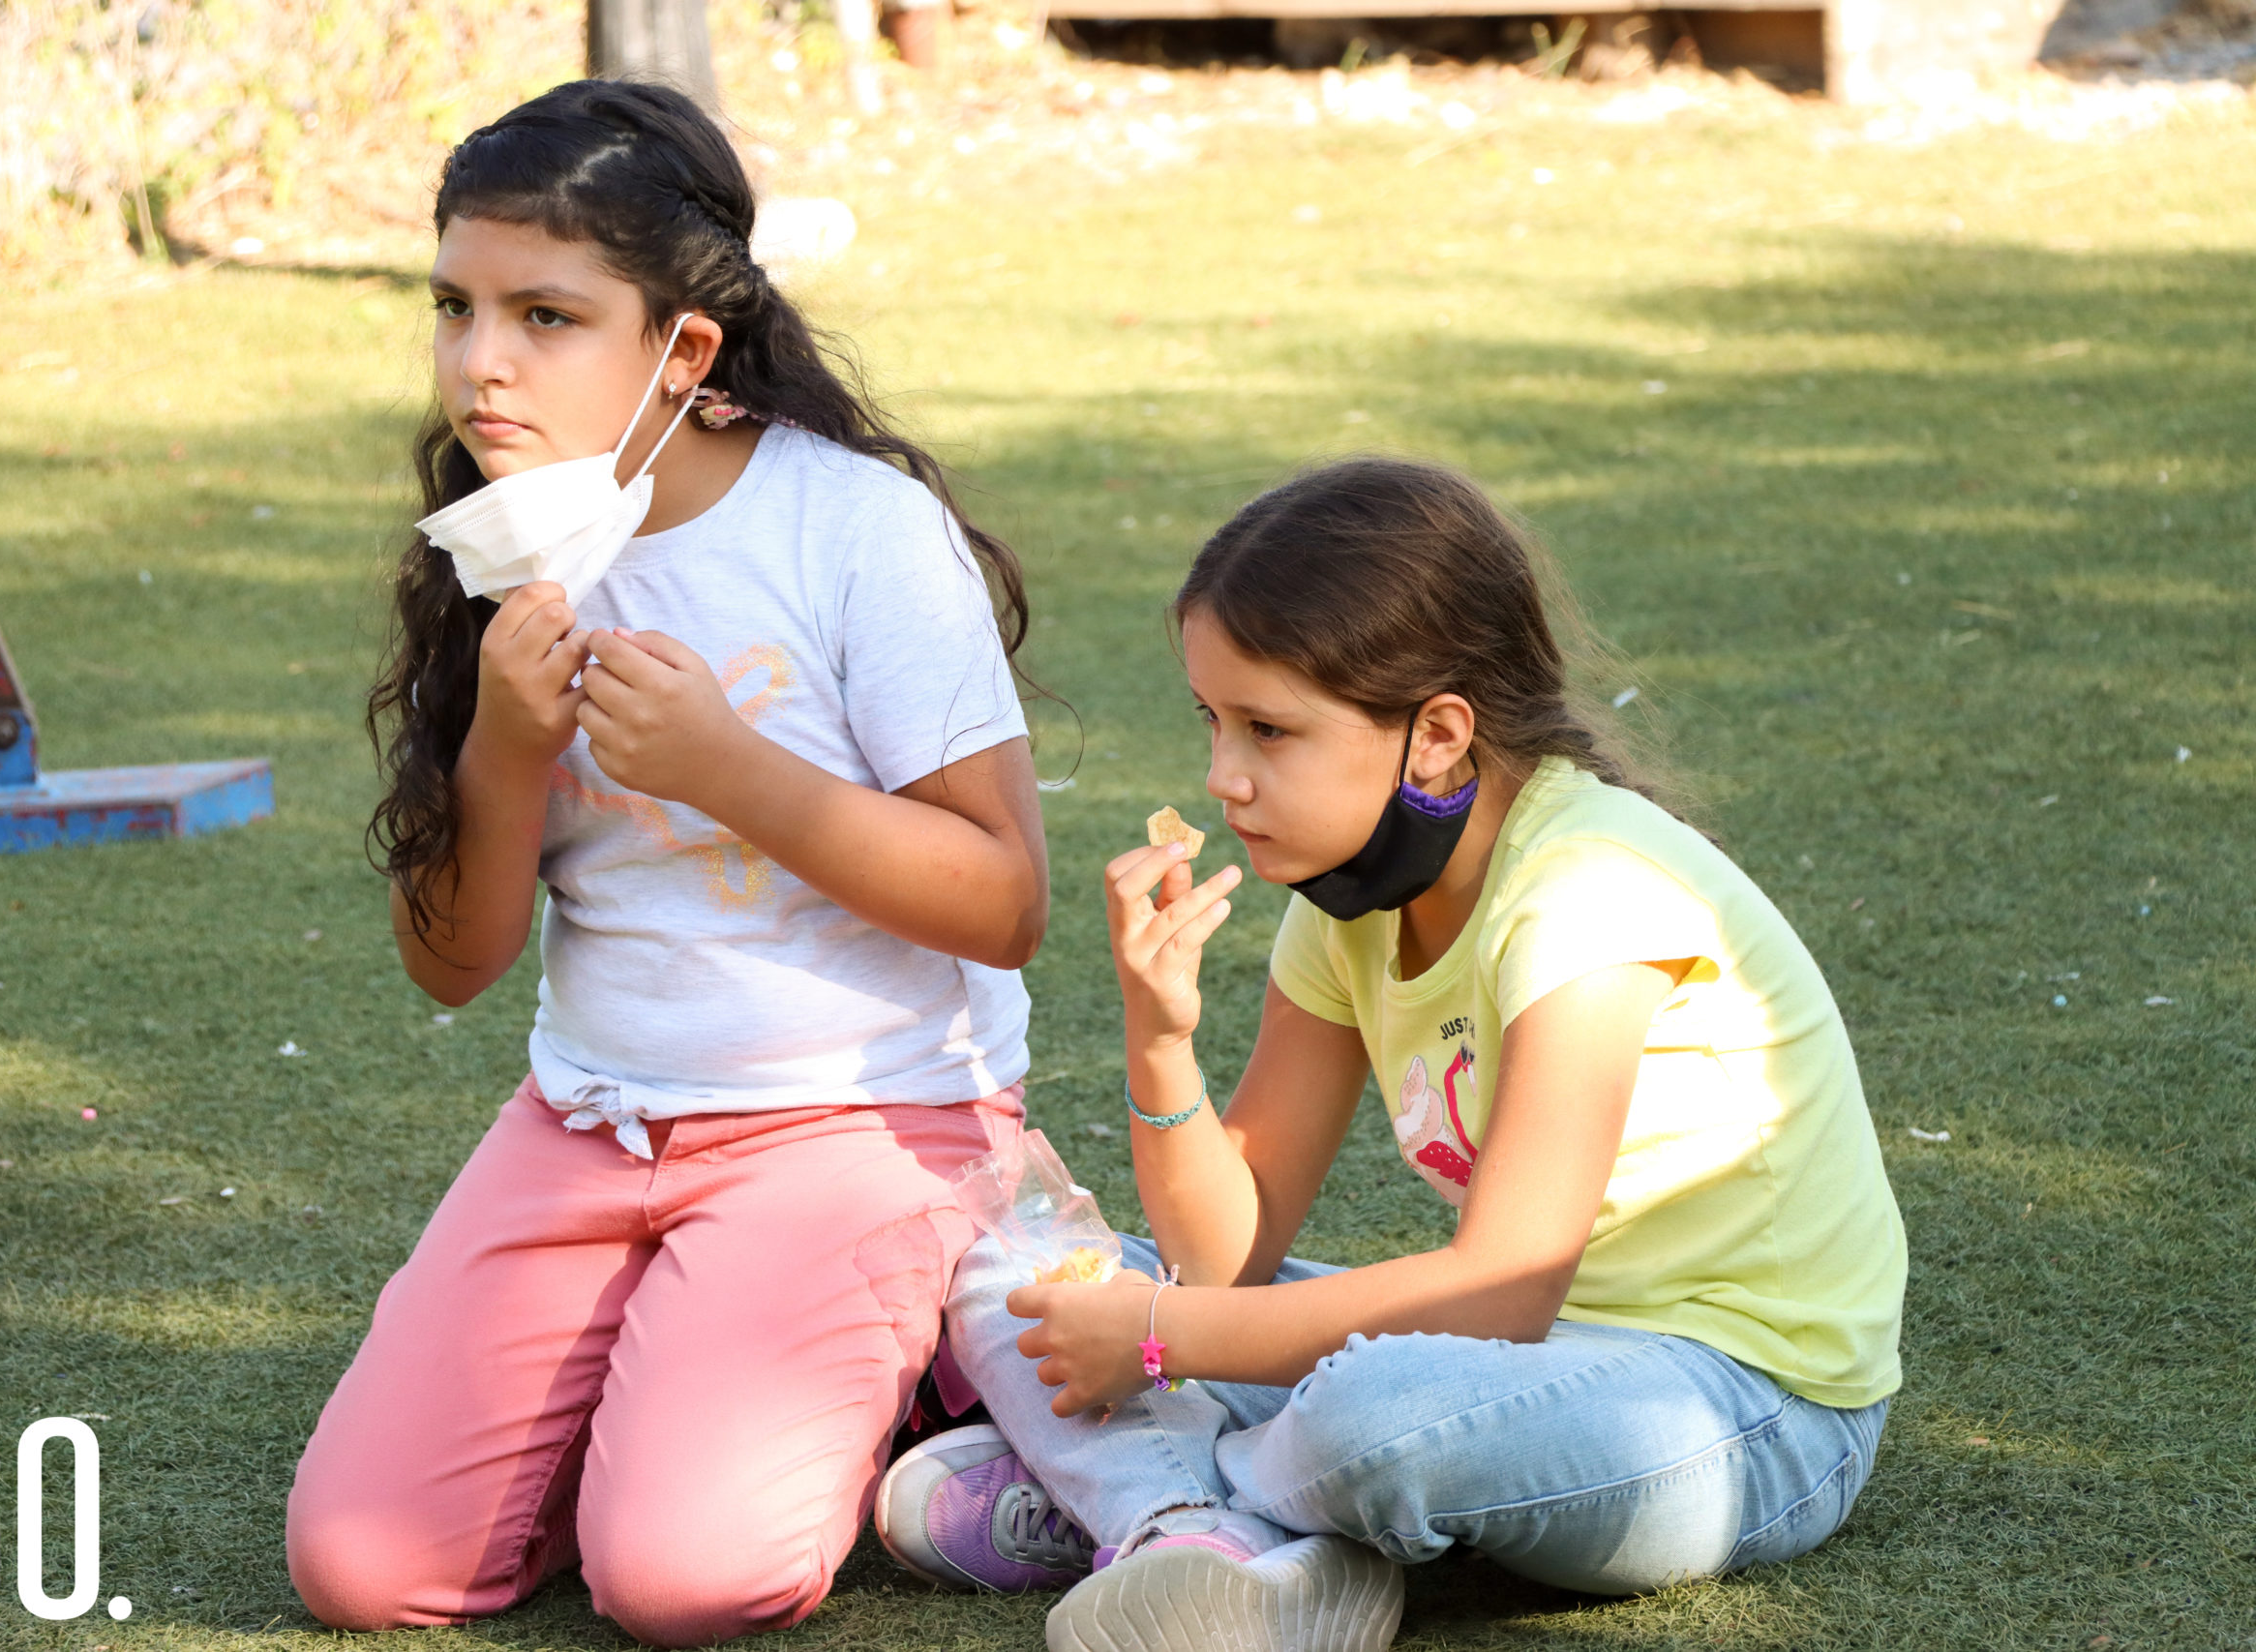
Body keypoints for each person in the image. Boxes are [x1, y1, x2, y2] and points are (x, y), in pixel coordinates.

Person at [877, 459, 1907, 1652]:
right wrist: (1161, 1041)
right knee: (1016, 1274)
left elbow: (1502, 1288)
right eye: (1212, 721)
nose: (1223, 777)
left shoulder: (1588, 888)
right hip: (1521, 1362)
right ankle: (1194, 1534)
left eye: (1268, 729)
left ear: (1438, 737)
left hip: (1743, 1407)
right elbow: (1227, 1255)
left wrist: (1158, 1338)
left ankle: (1153, 1497)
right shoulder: (1345, 906)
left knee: (1370, 1418)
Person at [285, 80, 1049, 1646]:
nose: (480, 359)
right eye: (456, 306)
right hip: (593, 1120)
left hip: (857, 1116)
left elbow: (1004, 897)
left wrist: (733, 772)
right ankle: (685, 1349)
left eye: (547, 315)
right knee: (365, 1567)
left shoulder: (852, 531)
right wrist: (504, 741)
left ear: (683, 350)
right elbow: (452, 961)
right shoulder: (497, 549)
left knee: (684, 1578)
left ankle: (952, 1338)